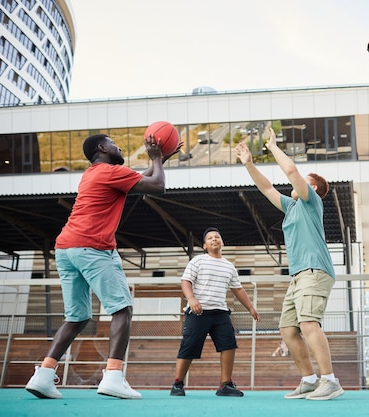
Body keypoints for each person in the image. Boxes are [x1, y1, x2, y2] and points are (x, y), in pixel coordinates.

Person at [25, 132, 181, 400]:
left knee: (76, 317)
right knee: (123, 309)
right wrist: (156, 159)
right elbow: (157, 186)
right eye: (113, 143)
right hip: (93, 247)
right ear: (101, 148)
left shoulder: (94, 174)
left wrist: (159, 160)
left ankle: (43, 375)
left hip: (66, 248)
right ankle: (113, 376)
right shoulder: (111, 172)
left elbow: (140, 179)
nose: (118, 147)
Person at [235, 127, 344, 401]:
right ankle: (309, 380)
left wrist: (272, 147)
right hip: (298, 275)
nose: (294, 185)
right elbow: (266, 187)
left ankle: (329, 380)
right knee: (288, 329)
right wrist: (249, 164)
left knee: (308, 324)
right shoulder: (292, 207)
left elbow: (292, 172)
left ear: (313, 188)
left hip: (314, 271)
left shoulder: (311, 202)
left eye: (304, 183)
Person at [170, 227, 260, 397]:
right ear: (205, 245)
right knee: (188, 347)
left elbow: (238, 289)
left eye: (217, 237)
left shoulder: (229, 266)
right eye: (210, 238)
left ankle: (225, 385)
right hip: (198, 311)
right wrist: (192, 299)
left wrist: (251, 308)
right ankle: (177, 383)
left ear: (222, 243)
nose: (214, 239)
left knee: (229, 345)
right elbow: (185, 281)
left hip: (220, 313)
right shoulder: (198, 261)